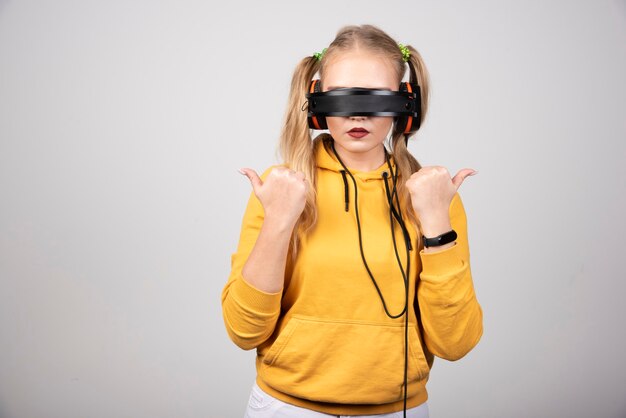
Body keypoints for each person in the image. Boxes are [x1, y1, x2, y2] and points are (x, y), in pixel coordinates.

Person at [221, 24, 483, 418]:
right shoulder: (282, 188)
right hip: (287, 407)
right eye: (343, 97)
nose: (358, 113)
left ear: (405, 104)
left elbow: (455, 342)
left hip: (398, 410)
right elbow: (243, 330)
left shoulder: (430, 196)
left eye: (376, 97)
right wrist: (279, 219)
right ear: (317, 101)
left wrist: (435, 224)